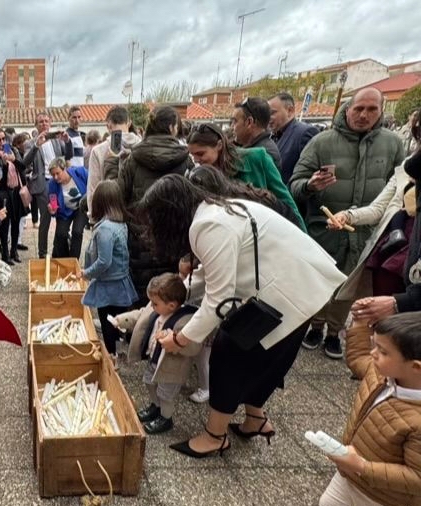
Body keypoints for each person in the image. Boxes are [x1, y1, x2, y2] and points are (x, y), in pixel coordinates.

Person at [144, 175, 345, 458]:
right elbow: (212, 273)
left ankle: (215, 436)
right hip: (301, 284)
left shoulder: (208, 225)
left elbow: (218, 300)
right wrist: (177, 294)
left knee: (228, 354)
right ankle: (255, 419)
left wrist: (180, 339)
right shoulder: (215, 210)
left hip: (291, 290)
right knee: (267, 358)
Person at [290, 88, 405, 358]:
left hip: (366, 231)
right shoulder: (322, 142)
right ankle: (315, 326)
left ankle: (334, 331)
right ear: (348, 108)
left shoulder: (392, 143)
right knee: (320, 280)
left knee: (349, 284)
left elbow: (400, 185)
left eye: (371, 109)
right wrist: (310, 185)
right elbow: (294, 184)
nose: (364, 115)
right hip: (325, 228)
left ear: (381, 111)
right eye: (359, 108)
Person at [319, 313, 421, 506]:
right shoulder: (382, 373)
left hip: (383, 498)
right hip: (349, 475)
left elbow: (417, 477)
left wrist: (362, 466)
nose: (373, 353)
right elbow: (358, 358)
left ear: (416, 367)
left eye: (383, 352)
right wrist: (359, 323)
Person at [111, 106, 195, 304]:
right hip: (175, 238)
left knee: (142, 298)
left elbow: (119, 196)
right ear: (173, 127)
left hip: (140, 238)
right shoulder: (186, 160)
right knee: (173, 296)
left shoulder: (133, 158)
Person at [187, 122, 304, 229]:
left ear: (219, 145)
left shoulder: (257, 158)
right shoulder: (200, 176)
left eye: (200, 154)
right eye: (192, 155)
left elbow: (286, 200)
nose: (196, 160)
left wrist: (303, 236)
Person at [350, 148, 421, 321]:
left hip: (411, 250)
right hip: (395, 245)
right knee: (381, 314)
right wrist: (349, 216)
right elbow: (379, 207)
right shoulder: (407, 167)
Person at [136, 273, 201, 435]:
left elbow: (194, 347)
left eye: (155, 303)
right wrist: (120, 320)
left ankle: (165, 418)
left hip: (171, 369)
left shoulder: (184, 322)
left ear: (171, 305)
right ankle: (155, 406)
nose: (151, 306)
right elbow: (140, 316)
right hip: (154, 360)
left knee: (166, 394)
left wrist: (174, 339)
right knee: (149, 383)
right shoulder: (158, 313)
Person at [79, 181, 138, 358]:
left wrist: (86, 273)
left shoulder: (104, 228)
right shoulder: (121, 224)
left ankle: (111, 356)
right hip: (121, 281)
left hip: (108, 284)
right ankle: (118, 351)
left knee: (107, 322)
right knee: (118, 320)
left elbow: (104, 261)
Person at [24, 112, 73, 257]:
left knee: (60, 215)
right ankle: (42, 253)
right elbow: (25, 162)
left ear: (50, 123)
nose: (44, 124)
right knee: (46, 218)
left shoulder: (56, 141)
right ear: (36, 125)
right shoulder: (30, 143)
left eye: (46, 121)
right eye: (41, 122)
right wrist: (36, 145)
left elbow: (69, 155)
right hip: (44, 184)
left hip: (58, 182)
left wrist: (68, 141)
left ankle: (58, 250)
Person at [86, 106, 140, 218]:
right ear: (129, 122)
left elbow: (93, 189)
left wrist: (93, 218)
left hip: (109, 214)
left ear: (108, 126)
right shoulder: (142, 146)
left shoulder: (99, 151)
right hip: (137, 214)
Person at [268, 92, 320, 184]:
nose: (268, 118)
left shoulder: (305, 133)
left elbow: (310, 174)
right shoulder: (271, 136)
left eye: (272, 113)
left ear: (290, 110)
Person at [0, 128, 26, 265]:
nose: (1, 142)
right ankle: (5, 254)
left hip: (16, 191)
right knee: (5, 225)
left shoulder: (11, 150)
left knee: (16, 222)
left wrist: (14, 160)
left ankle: (14, 251)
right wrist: (5, 166)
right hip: (4, 193)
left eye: (3, 139)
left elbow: (23, 167)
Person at [47, 157, 89, 258]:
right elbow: (53, 204)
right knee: (60, 235)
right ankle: (65, 259)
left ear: (64, 169)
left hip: (81, 208)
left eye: (58, 173)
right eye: (53, 175)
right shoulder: (52, 184)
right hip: (65, 211)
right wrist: (52, 209)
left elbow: (92, 183)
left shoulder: (79, 172)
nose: (55, 177)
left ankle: (74, 260)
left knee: (77, 232)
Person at [231, 96, 282, 172]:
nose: (232, 126)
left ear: (249, 122)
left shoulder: (264, 155)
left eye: (235, 121)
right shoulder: (250, 147)